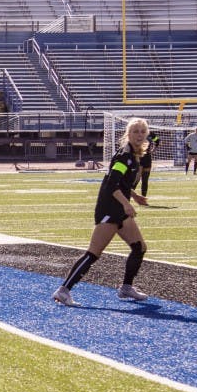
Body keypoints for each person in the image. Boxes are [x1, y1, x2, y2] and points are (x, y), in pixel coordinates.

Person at [53, 117, 152, 307]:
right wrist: (126, 204)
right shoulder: (125, 155)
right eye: (135, 131)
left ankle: (126, 287)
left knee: (139, 247)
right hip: (110, 208)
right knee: (94, 253)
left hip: (119, 209)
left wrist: (134, 196)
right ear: (128, 134)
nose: (139, 135)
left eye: (142, 131)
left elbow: (121, 183)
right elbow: (112, 183)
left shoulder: (134, 155)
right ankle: (63, 290)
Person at [137, 132, 159, 204]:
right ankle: (127, 198)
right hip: (139, 158)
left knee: (145, 180)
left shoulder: (151, 134)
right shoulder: (137, 132)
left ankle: (143, 199)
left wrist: (153, 150)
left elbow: (157, 141)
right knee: (136, 180)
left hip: (147, 158)